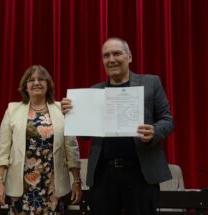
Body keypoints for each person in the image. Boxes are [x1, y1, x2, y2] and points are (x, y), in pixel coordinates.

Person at [61, 37, 174, 215]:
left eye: (117, 53)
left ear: (129, 57)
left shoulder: (151, 83)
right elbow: (84, 135)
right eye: (106, 55)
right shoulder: (94, 92)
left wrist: (154, 131)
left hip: (140, 174)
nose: (111, 59)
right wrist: (71, 114)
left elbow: (167, 120)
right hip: (103, 175)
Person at [0, 65, 82, 214]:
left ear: (48, 85)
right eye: (31, 80)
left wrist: (77, 181)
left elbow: (71, 149)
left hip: (52, 186)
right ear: (25, 86)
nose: (36, 82)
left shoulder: (62, 110)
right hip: (21, 187)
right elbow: (3, 149)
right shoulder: (12, 110)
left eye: (41, 79)